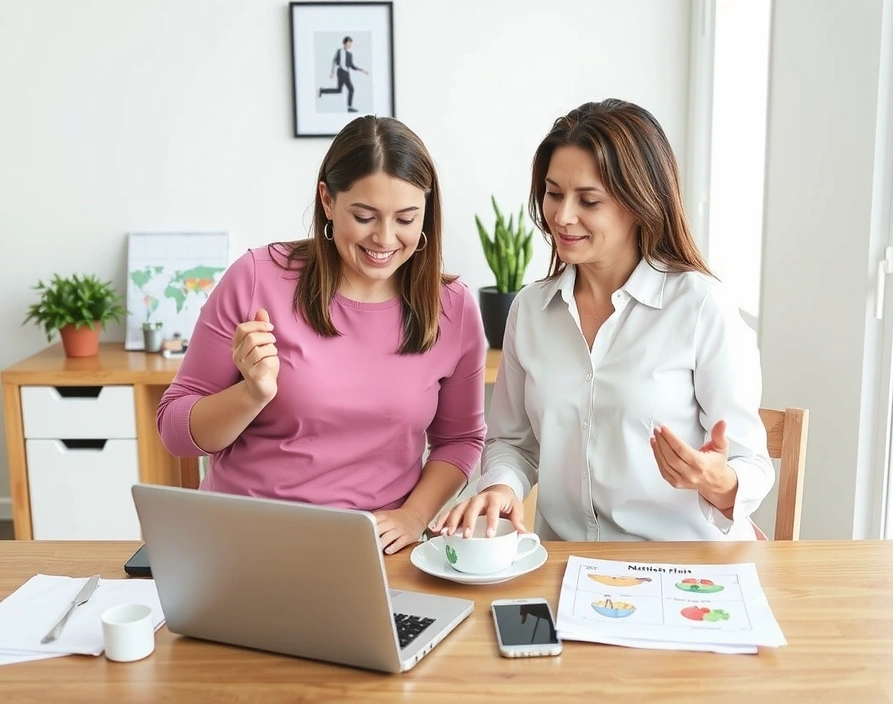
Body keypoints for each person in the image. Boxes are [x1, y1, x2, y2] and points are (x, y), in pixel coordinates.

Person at [435, 99, 773, 542]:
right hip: (565, 566)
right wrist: (502, 486)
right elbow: (512, 444)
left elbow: (751, 464)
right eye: (554, 194)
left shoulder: (700, 306)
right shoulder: (531, 311)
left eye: (588, 200)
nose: (562, 216)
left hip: (681, 570)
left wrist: (717, 481)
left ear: (638, 204)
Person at [157, 116, 487, 554]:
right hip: (243, 539)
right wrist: (250, 394)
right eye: (365, 216)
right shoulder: (257, 278)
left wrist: (413, 516)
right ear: (328, 201)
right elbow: (175, 431)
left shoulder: (454, 307)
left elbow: (460, 440)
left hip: (375, 548)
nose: (385, 238)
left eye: (406, 219)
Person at [317, 36, 369, 113]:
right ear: (344, 43)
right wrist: (332, 72)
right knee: (351, 89)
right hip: (341, 72)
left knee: (338, 90)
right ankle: (349, 107)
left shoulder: (349, 54)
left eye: (351, 43)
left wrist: (362, 70)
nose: (350, 45)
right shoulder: (339, 51)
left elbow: (352, 66)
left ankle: (322, 90)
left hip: (346, 73)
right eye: (349, 43)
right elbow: (334, 61)